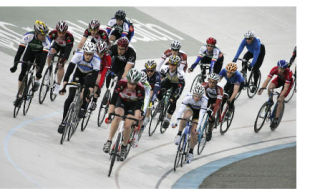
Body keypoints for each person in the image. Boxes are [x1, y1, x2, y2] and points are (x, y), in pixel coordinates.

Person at [57, 42, 100, 134]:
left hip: (89, 75)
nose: (88, 56)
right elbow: (69, 71)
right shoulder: (78, 55)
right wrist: (64, 86)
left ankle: (83, 107)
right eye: (86, 54)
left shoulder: (97, 60)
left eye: (90, 55)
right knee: (70, 97)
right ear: (83, 52)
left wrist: (90, 91)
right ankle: (63, 121)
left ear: (93, 54)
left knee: (87, 88)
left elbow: (94, 78)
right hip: (78, 73)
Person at [102, 68, 144, 161]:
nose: (131, 86)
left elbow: (138, 107)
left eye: (134, 84)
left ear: (137, 83)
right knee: (117, 117)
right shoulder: (121, 83)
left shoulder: (141, 89)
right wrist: (109, 115)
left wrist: (136, 120)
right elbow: (113, 100)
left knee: (128, 125)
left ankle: (124, 146)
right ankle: (109, 141)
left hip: (133, 105)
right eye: (130, 83)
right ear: (127, 80)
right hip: (121, 101)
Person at [10, 20, 50, 106]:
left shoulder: (47, 40)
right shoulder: (28, 36)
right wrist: (15, 65)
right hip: (30, 52)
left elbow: (43, 59)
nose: (44, 36)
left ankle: (36, 82)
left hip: (40, 54)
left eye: (45, 34)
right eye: (42, 34)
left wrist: (39, 72)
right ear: (36, 32)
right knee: (22, 74)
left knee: (38, 68)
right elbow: (20, 52)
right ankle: (20, 95)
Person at [172, 84, 208, 163]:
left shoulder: (205, 100)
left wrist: (198, 128)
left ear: (202, 96)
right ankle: (179, 134)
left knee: (193, 132)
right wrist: (176, 122)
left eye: (199, 96)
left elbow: (201, 115)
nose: (197, 98)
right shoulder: (188, 97)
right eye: (195, 96)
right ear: (193, 94)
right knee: (185, 117)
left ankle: (191, 152)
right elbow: (181, 110)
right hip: (190, 108)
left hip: (198, 113)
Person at [104, 37, 137, 123]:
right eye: (119, 49)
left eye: (122, 49)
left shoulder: (131, 53)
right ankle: (108, 91)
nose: (119, 51)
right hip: (116, 63)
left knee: (119, 83)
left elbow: (127, 68)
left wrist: (123, 77)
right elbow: (106, 58)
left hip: (125, 67)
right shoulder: (114, 47)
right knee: (108, 75)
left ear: (126, 48)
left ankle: (113, 103)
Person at [258, 60, 293, 129]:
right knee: (269, 88)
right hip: (279, 80)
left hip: (287, 83)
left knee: (280, 100)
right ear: (277, 67)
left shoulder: (289, 74)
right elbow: (267, 80)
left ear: (285, 69)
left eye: (282, 69)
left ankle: (276, 118)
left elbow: (285, 88)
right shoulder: (274, 69)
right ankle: (270, 101)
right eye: (279, 68)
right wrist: (262, 88)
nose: (280, 70)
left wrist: (281, 96)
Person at [47, 20, 74, 95]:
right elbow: (47, 43)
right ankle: (49, 69)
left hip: (65, 49)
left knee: (60, 65)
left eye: (63, 32)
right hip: (57, 45)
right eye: (59, 32)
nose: (61, 34)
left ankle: (58, 85)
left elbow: (67, 53)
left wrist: (62, 62)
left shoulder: (69, 37)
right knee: (50, 52)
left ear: (66, 31)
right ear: (56, 30)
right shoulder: (53, 33)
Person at [158, 55, 185, 129]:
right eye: (170, 64)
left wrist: (174, 97)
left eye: (174, 65)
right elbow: (160, 80)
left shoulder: (180, 74)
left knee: (173, 100)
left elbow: (179, 88)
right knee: (159, 91)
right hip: (169, 81)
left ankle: (168, 118)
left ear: (177, 65)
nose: (171, 66)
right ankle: (161, 104)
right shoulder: (164, 68)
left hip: (177, 85)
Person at [90, 40, 112, 110]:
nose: (99, 55)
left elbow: (103, 74)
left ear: (105, 52)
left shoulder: (108, 58)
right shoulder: (92, 53)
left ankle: (94, 101)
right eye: (97, 53)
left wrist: (98, 87)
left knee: (98, 83)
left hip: (101, 72)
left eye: (101, 53)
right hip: (92, 69)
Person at [202, 73, 224, 141]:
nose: (211, 84)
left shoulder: (219, 90)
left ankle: (209, 131)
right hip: (207, 99)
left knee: (211, 117)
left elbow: (217, 103)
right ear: (208, 80)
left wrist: (213, 114)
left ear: (216, 83)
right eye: (210, 81)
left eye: (213, 83)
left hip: (215, 101)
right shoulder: (204, 85)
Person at [141, 60, 161, 127]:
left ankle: (147, 116)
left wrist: (152, 100)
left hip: (152, 89)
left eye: (151, 71)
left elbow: (156, 89)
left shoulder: (157, 75)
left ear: (155, 70)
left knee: (149, 98)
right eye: (148, 70)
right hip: (144, 87)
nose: (149, 72)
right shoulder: (142, 72)